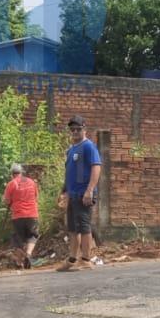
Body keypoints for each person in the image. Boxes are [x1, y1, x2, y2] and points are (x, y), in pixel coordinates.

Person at [56, 115, 101, 271]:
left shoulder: (89, 147)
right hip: (73, 195)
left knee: (84, 227)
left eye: (78, 129)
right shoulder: (71, 150)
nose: (75, 132)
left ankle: (86, 259)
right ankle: (72, 260)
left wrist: (89, 190)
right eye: (72, 129)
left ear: (84, 129)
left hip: (84, 194)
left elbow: (96, 167)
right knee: (73, 229)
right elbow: (69, 173)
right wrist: (64, 192)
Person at [2, 163, 40, 268]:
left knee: (18, 239)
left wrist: (6, 200)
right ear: (21, 172)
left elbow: (6, 201)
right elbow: (36, 197)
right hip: (32, 214)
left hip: (18, 215)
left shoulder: (11, 184)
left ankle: (19, 262)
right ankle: (28, 254)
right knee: (32, 236)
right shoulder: (31, 182)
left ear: (12, 174)